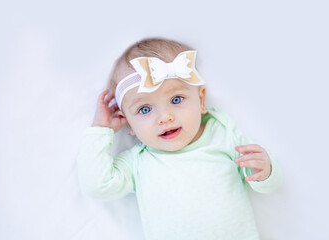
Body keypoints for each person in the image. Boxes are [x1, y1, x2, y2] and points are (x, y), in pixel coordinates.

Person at [76, 37, 282, 240]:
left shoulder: (222, 133)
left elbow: (263, 182)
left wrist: (265, 171)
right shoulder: (138, 162)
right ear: (129, 123)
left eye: (176, 99)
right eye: (145, 109)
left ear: (200, 99)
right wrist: (101, 129)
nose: (165, 117)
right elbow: (97, 186)